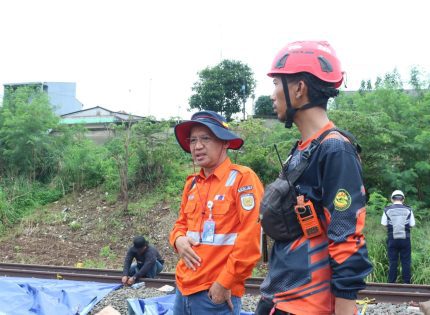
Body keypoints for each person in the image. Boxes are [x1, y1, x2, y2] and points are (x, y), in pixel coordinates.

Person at [256, 41, 373, 315]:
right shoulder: (301, 149)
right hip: (278, 297)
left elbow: (347, 236)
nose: (273, 95)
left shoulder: (334, 149)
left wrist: (345, 309)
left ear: (299, 89)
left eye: (277, 83)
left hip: (307, 306)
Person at [169, 110, 264, 315]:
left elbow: (251, 238)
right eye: (193, 140)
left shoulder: (243, 179)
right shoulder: (192, 184)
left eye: (205, 138)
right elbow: (180, 224)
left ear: (225, 142)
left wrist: (224, 283)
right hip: (183, 289)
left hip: (214, 295)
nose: (197, 146)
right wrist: (178, 240)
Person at [381, 190, 415, 284]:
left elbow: (384, 224)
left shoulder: (387, 209)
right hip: (405, 239)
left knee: (393, 262)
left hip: (392, 239)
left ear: (392, 199)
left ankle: (391, 283)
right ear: (403, 199)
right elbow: (412, 224)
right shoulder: (409, 209)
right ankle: (406, 283)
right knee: (406, 262)